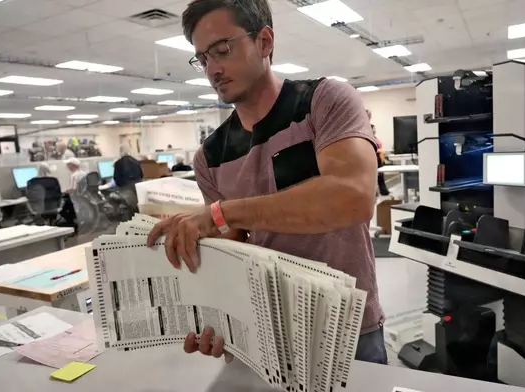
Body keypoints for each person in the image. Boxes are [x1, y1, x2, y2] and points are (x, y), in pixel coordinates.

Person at [146, 0, 386, 365]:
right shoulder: (209, 157)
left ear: (264, 41)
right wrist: (217, 317)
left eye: (222, 50)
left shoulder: (323, 102)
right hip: (266, 335)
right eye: (202, 59)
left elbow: (351, 197)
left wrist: (221, 213)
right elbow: (233, 249)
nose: (212, 69)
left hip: (348, 330)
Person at [366, 110, 390, 197]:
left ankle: (384, 191)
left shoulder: (375, 137)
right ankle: (374, 193)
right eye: (373, 129)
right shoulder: (369, 138)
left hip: (380, 159)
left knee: (381, 177)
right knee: (374, 177)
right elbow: (369, 149)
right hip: (374, 159)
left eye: (375, 129)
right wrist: (378, 151)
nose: (374, 131)